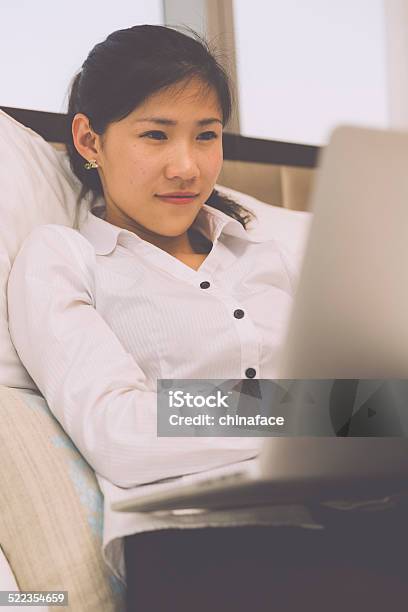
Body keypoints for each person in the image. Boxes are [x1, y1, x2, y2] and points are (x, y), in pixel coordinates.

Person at [7, 24, 408, 612]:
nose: (187, 167)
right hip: (204, 543)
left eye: (207, 136)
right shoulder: (63, 257)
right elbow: (121, 431)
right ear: (90, 140)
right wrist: (315, 408)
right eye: (155, 135)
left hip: (354, 510)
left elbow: (356, 394)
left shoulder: (261, 252)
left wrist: (367, 404)